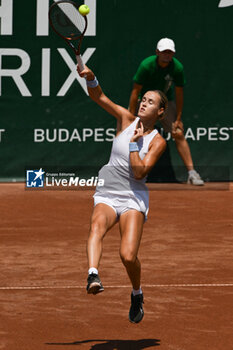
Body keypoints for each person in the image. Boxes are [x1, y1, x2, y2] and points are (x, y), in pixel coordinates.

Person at [77, 64, 168, 323]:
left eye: (150, 102)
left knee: (127, 256)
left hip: (133, 197)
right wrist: (92, 77)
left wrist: (131, 144)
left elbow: (139, 173)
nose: (143, 103)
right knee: (96, 227)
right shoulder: (126, 119)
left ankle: (137, 293)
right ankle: (93, 273)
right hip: (108, 190)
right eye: (143, 99)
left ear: (160, 111)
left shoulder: (157, 142)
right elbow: (99, 97)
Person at [129, 38, 204, 186]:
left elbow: (179, 94)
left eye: (170, 52)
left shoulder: (177, 68)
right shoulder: (146, 65)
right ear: (157, 52)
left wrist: (178, 118)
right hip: (144, 101)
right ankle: (125, 172)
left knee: (178, 133)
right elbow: (135, 91)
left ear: (173, 53)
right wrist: (131, 115)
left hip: (165, 103)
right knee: (129, 133)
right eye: (164, 52)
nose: (167, 55)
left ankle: (191, 173)